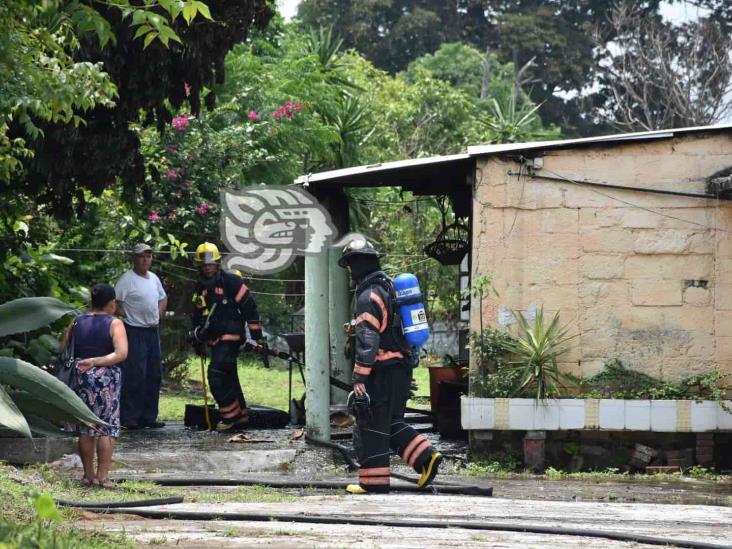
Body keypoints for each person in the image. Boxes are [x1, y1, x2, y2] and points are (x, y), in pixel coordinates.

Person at [338, 236, 442, 494]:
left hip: (381, 371)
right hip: (401, 368)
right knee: (390, 422)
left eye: (350, 265)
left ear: (358, 264)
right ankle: (425, 459)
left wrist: (359, 377)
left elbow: (368, 339)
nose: (350, 272)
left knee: (371, 423)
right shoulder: (388, 288)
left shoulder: (367, 296)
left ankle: (376, 483)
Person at [189, 242, 264, 431]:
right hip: (215, 340)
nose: (208, 267)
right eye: (204, 264)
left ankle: (230, 417)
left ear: (218, 263)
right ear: (199, 266)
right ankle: (241, 418)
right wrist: (197, 337)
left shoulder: (231, 281)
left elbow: (249, 306)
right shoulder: (199, 288)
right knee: (229, 376)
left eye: (211, 263)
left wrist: (256, 336)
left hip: (230, 337)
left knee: (217, 376)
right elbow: (198, 315)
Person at [67, 284, 128, 488]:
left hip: (80, 376)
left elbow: (65, 347)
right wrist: (96, 361)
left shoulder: (76, 322)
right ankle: (103, 476)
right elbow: (121, 353)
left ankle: (88, 475)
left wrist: (84, 361)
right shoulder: (115, 323)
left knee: (86, 426)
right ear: (112, 304)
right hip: (105, 378)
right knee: (106, 427)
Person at [115, 243, 167, 429]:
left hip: (152, 330)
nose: (145, 260)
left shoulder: (153, 278)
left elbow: (162, 297)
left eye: (148, 256)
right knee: (135, 374)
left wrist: (160, 311)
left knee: (154, 374)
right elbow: (116, 302)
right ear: (134, 259)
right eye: (141, 256)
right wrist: (127, 315)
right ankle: (130, 418)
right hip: (134, 330)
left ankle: (149, 417)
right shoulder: (126, 280)